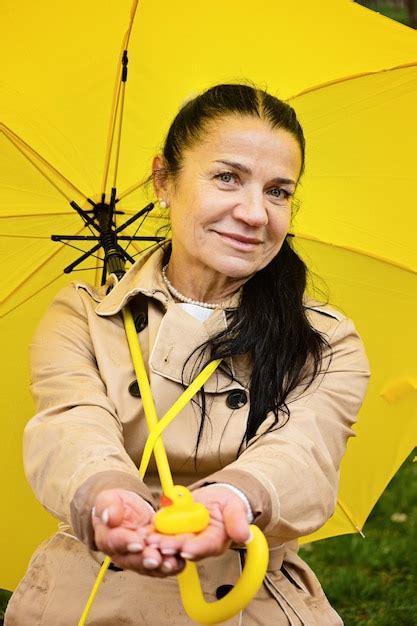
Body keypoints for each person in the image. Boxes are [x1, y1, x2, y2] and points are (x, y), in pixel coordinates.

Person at [5, 83, 370, 625]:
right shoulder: (83, 317)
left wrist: (233, 499)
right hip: (85, 598)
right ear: (163, 181)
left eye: (278, 191)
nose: (254, 213)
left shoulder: (324, 337)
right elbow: (71, 425)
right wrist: (109, 496)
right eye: (228, 177)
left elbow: (304, 451)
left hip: (249, 600)